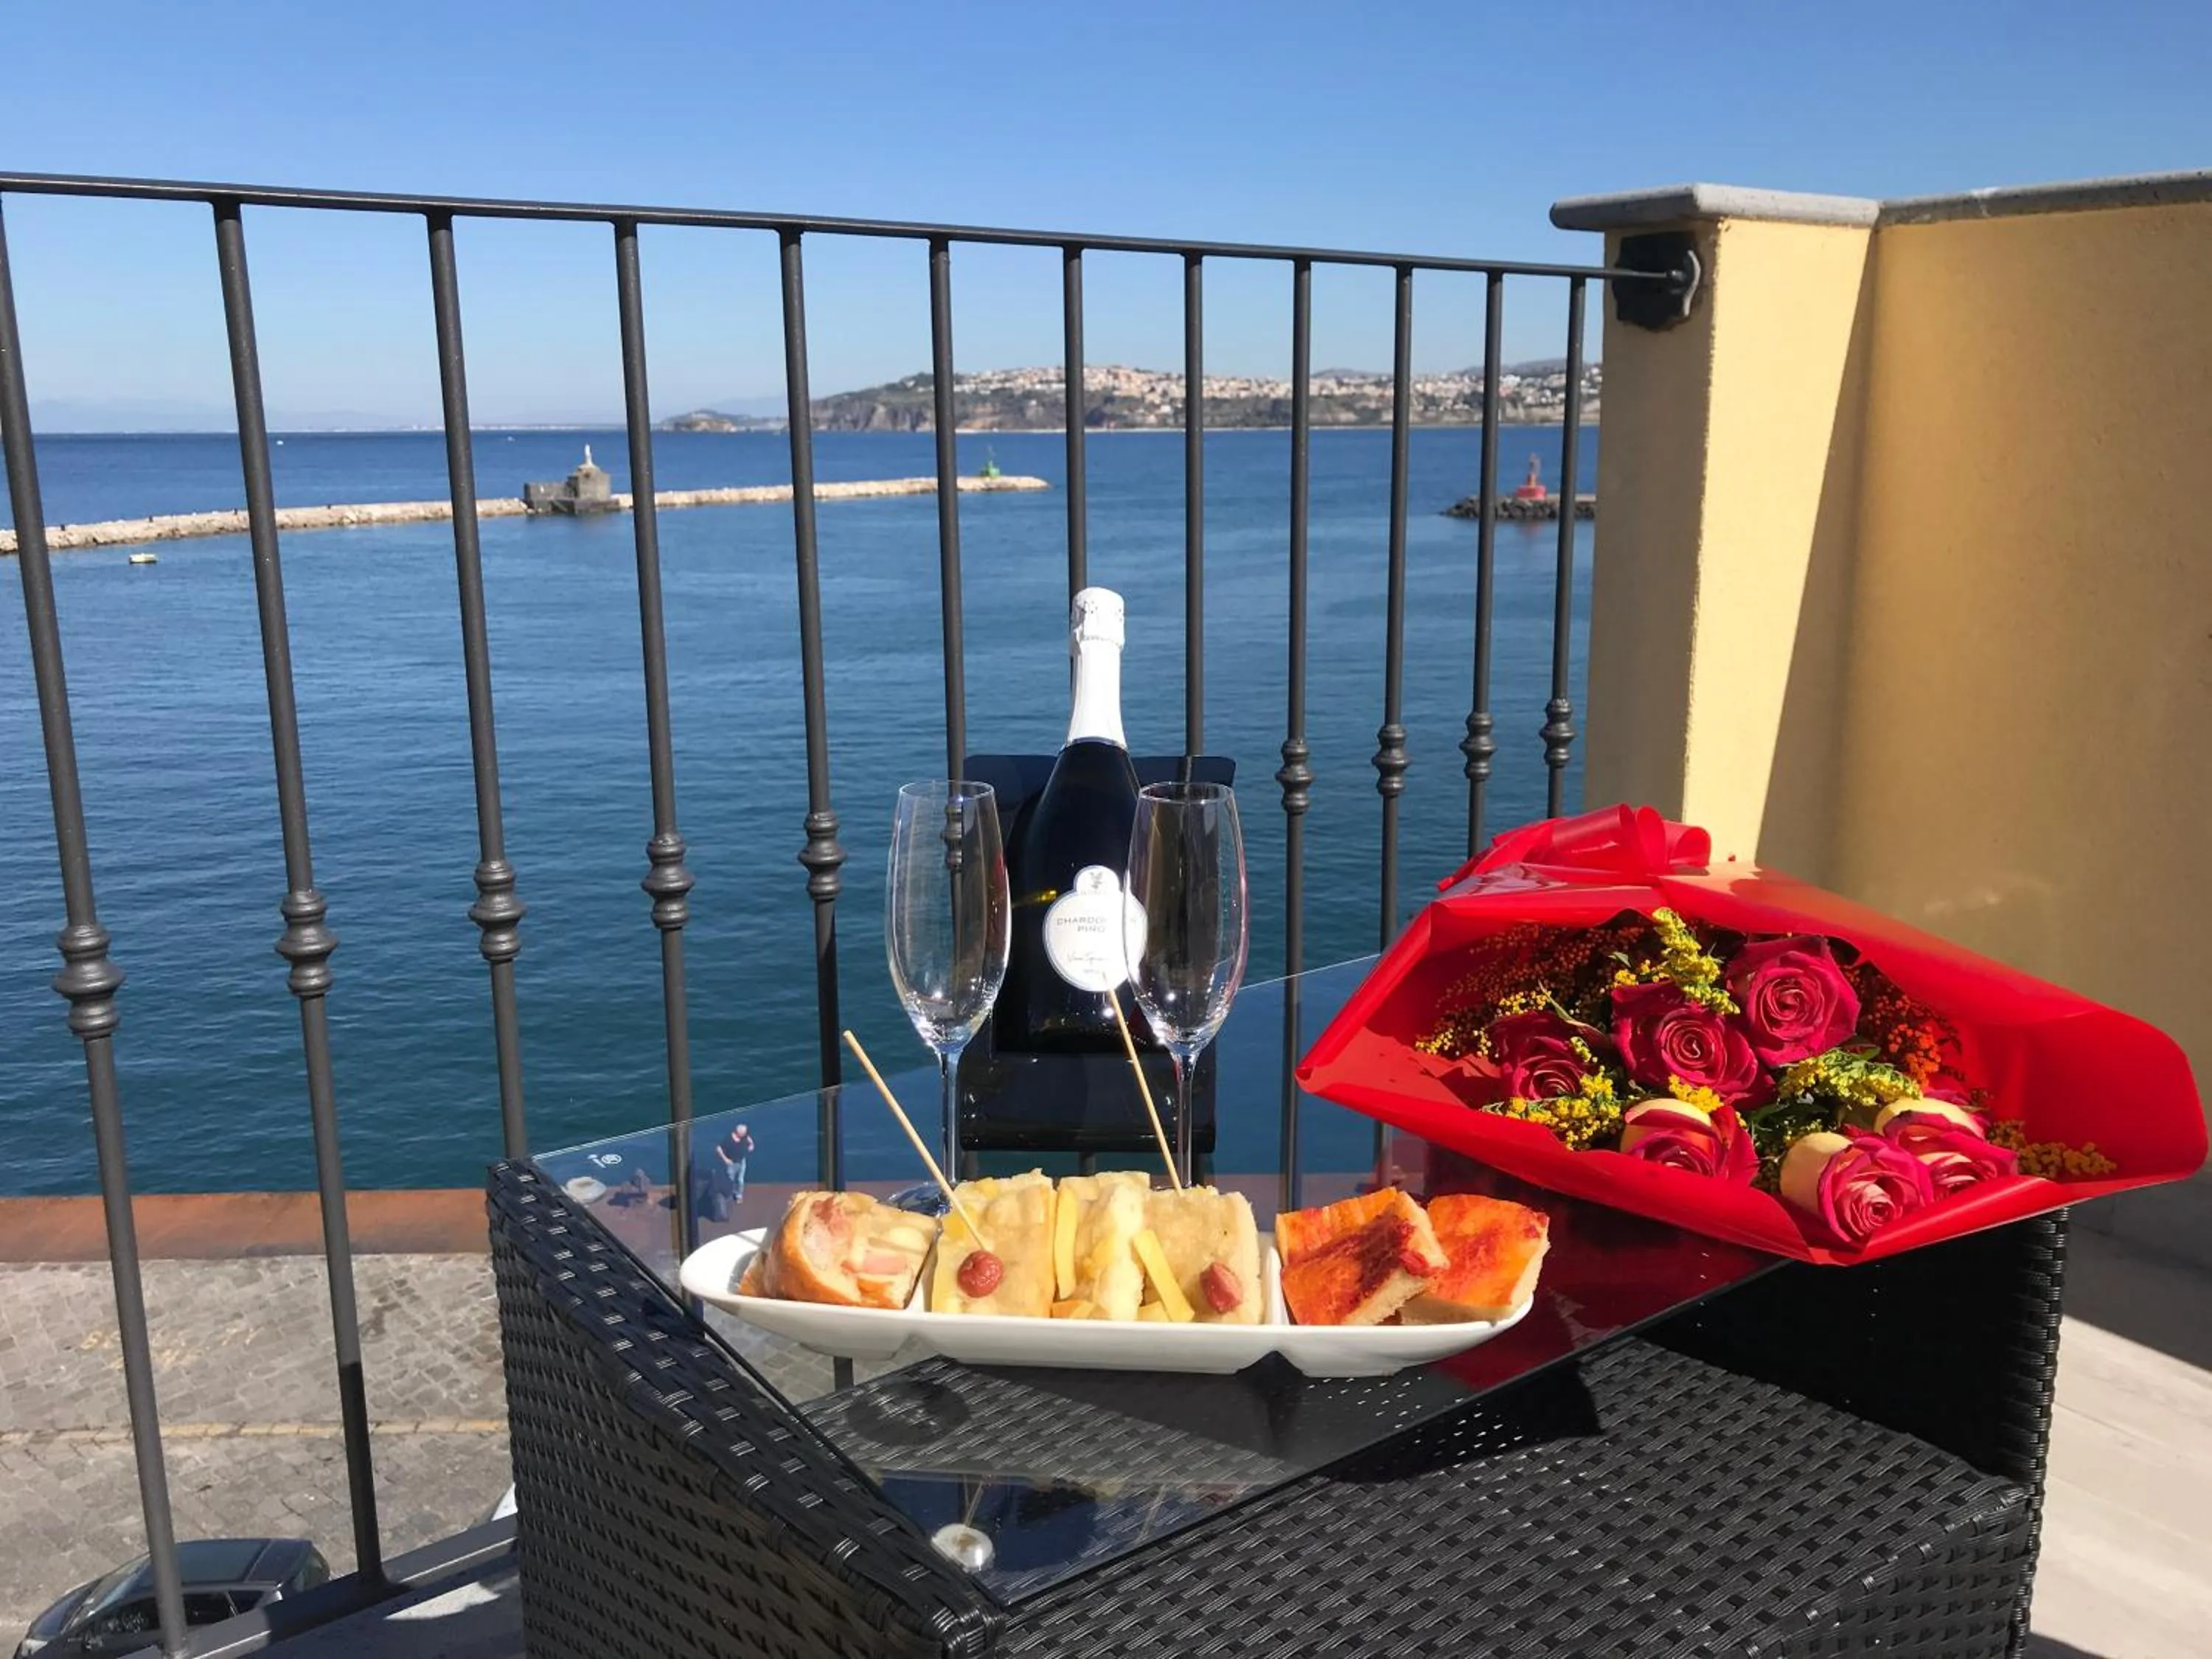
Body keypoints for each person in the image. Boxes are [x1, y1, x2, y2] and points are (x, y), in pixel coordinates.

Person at [716, 1123, 757, 1208]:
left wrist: (751, 1145)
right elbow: (718, 1149)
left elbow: (749, 1139)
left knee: (740, 1180)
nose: (745, 1134)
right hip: (732, 1163)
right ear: (739, 1133)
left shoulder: (744, 1136)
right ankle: (729, 1194)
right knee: (730, 1180)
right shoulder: (729, 1139)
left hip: (742, 1161)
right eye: (744, 1133)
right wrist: (725, 1159)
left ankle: (739, 1196)